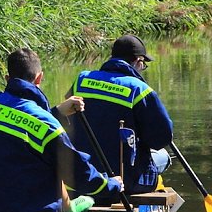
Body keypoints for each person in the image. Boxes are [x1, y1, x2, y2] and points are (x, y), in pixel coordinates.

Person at [0, 48, 122, 212]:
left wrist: (56, 112)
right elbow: (78, 172)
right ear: (39, 78)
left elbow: (20, 122)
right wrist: (110, 185)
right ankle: (71, 211)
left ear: (7, 78)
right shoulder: (47, 125)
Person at [66, 34, 173, 194]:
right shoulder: (140, 90)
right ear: (138, 61)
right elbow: (161, 138)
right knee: (163, 157)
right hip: (125, 181)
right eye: (143, 65)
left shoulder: (82, 80)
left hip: (81, 175)